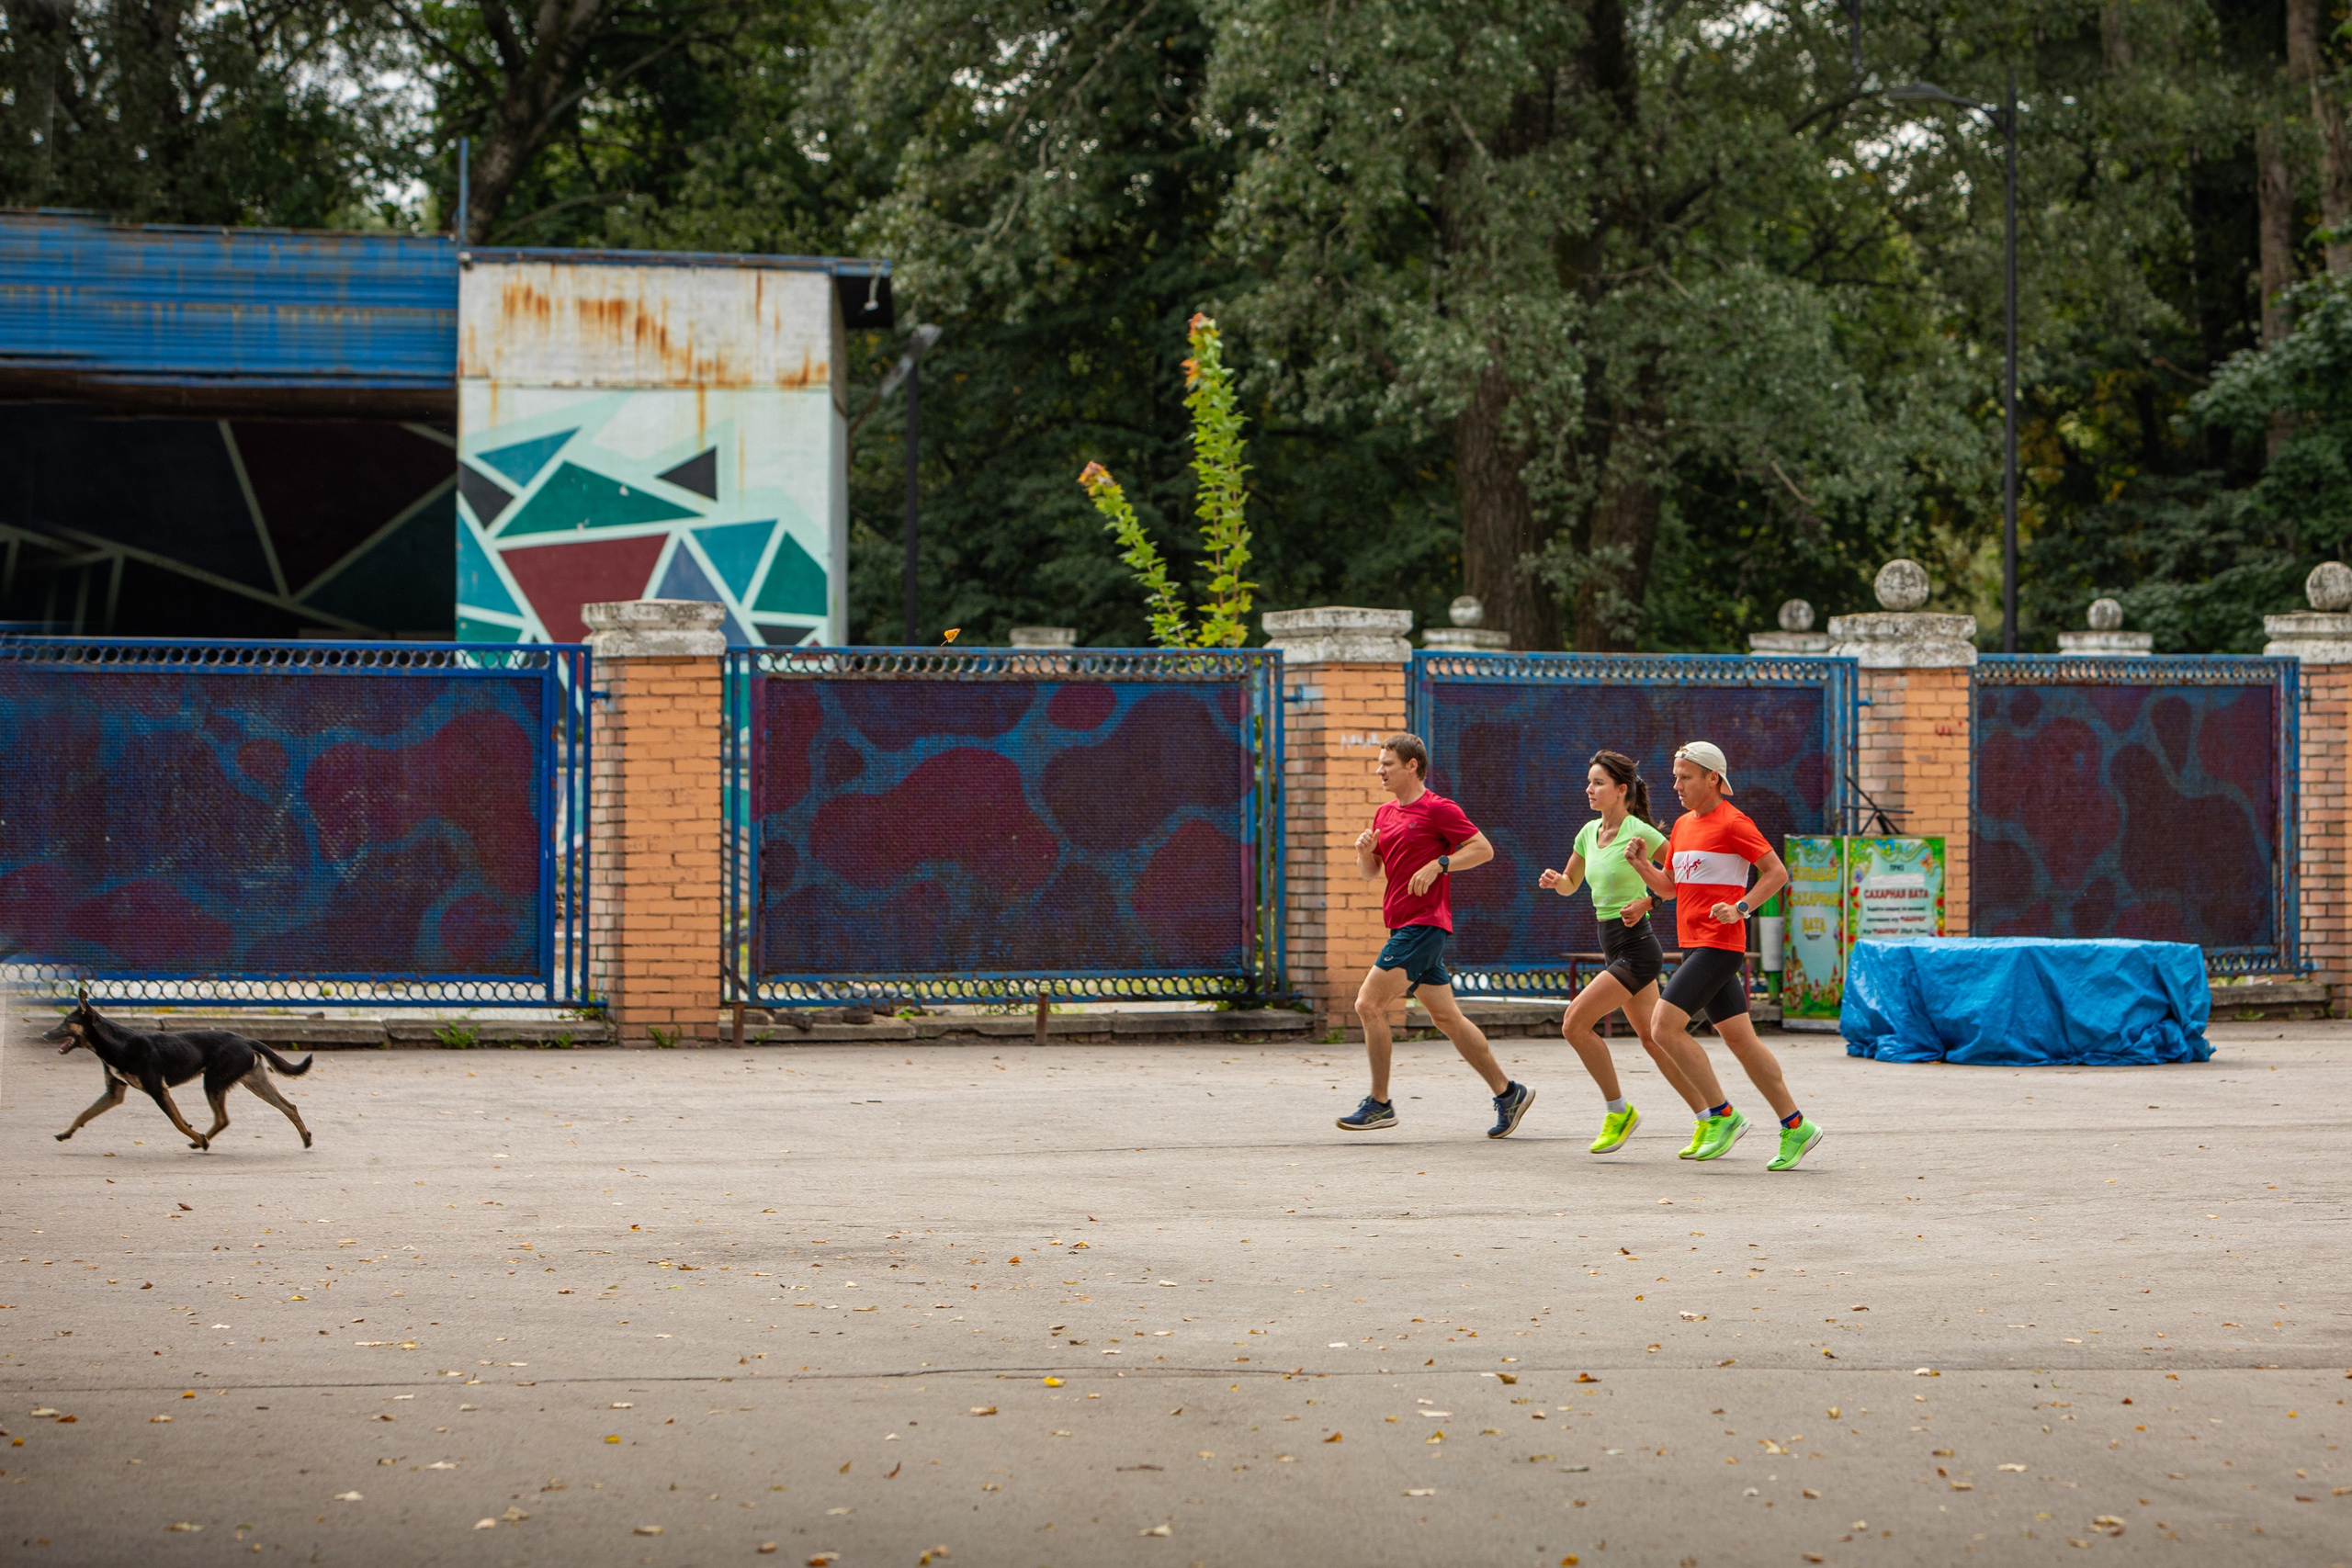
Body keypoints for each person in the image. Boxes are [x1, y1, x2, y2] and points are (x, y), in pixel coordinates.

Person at [1618, 741, 1825, 1169]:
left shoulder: (1734, 823)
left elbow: (1777, 872)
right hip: (1694, 943)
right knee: (1741, 1040)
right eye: (1675, 776)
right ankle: (1797, 1125)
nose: (1676, 785)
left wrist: (1742, 907)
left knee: (1663, 1026)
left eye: (1685, 777)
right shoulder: (1681, 826)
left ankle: (1722, 1115)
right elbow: (1671, 887)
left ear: (1713, 778)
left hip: (1720, 943)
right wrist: (1641, 866)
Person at [1335, 733, 1534, 1138]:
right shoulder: (1384, 813)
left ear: (1412, 765)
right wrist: (1364, 851)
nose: (1380, 770)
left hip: (1423, 926)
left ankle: (1379, 1103)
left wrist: (1440, 863)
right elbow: (1371, 873)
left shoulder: (1438, 809)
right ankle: (1509, 1092)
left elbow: (1482, 849)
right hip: (1402, 923)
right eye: (1379, 763)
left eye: (1387, 763)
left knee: (1368, 1005)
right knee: (1447, 1018)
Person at [1538, 750, 1712, 1154]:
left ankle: (1619, 1111)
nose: (1590, 789)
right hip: (1610, 943)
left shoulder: (1641, 833)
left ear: (1621, 790)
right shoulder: (1587, 833)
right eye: (1589, 782)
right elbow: (1571, 882)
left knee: (1574, 1023)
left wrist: (1650, 901)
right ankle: (1710, 1117)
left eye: (1598, 783)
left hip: (1637, 948)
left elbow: (1681, 876)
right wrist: (1556, 881)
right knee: (1655, 1040)